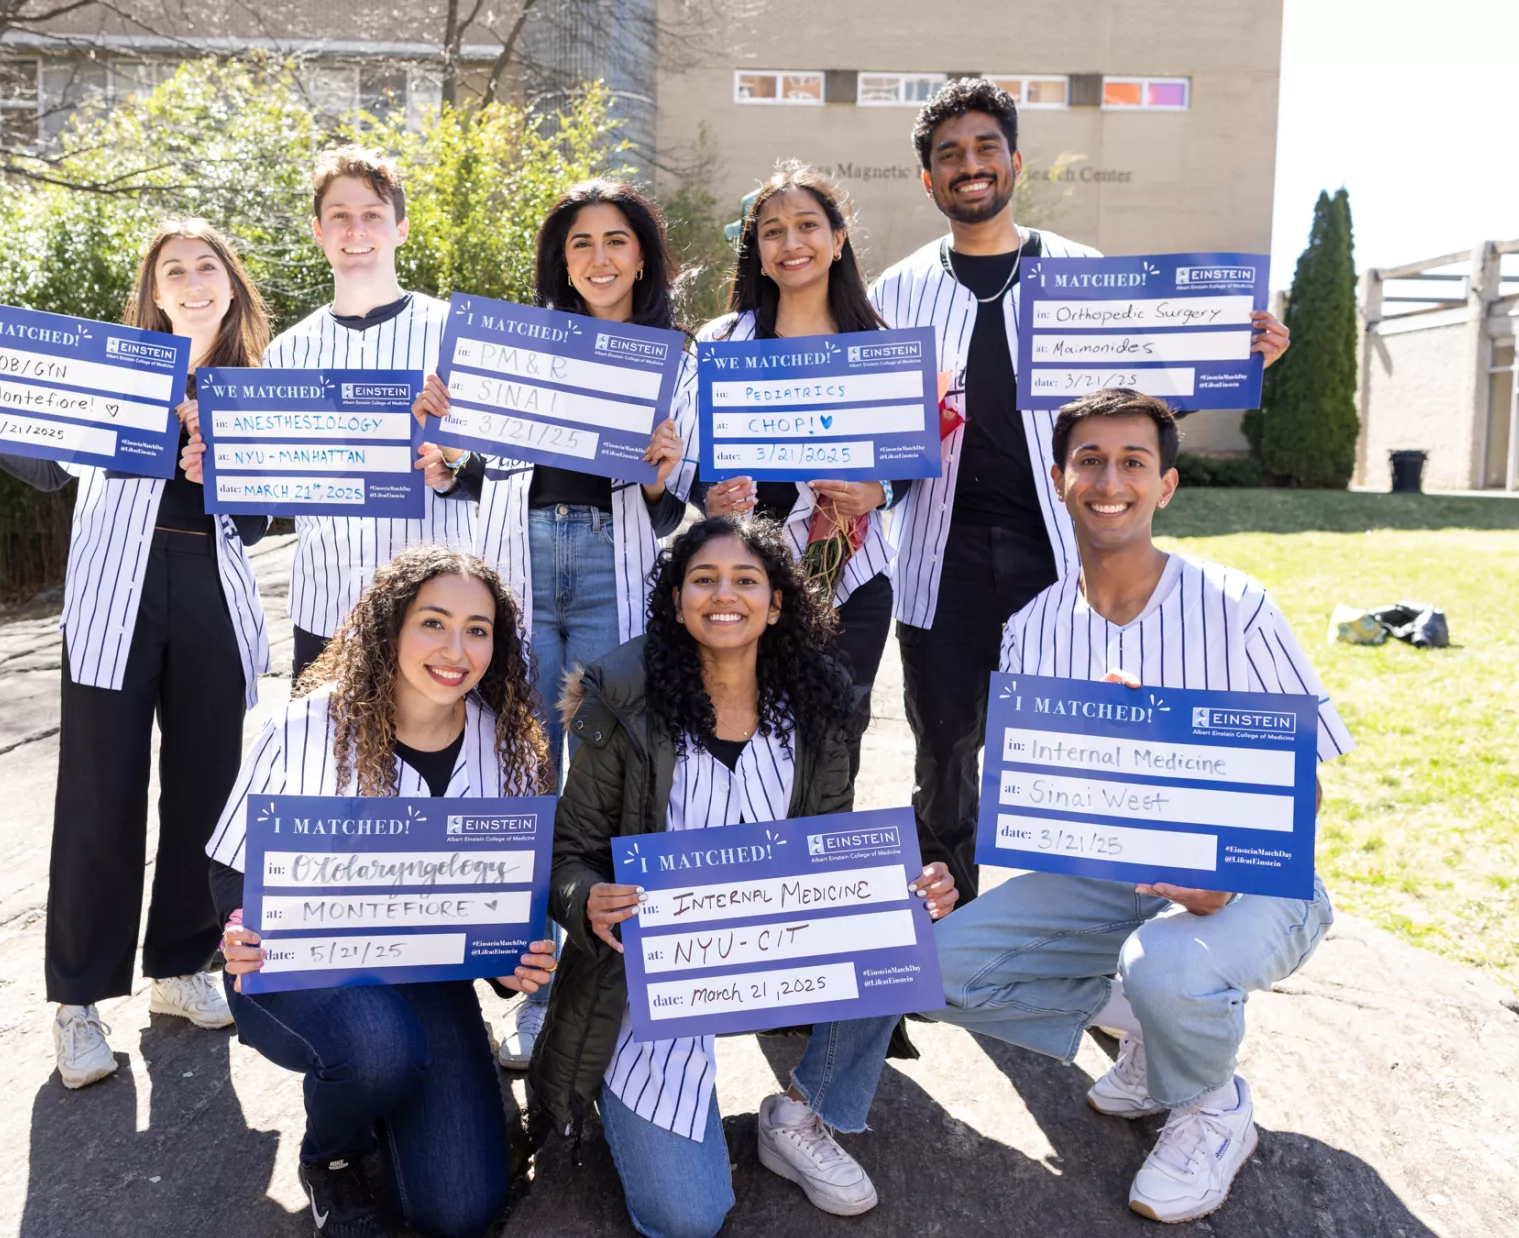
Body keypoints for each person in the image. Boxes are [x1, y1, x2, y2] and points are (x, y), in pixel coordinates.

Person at [928, 388, 1351, 1224]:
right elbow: (1050, 790)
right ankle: (1158, 1039)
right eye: (1089, 460)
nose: (1109, 479)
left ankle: (1210, 1104)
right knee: (934, 969)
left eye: (1133, 462)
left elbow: (1307, 782)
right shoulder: (1033, 628)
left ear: (1166, 485)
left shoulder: (1235, 605)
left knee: (1173, 967)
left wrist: (1213, 872)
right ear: (1059, 479)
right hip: (1110, 877)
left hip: (1259, 880)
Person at [868, 78, 1292, 905]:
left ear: (1015, 161)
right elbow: (877, 432)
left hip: (1064, 561)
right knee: (944, 756)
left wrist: (1237, 359)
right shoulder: (894, 295)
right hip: (937, 563)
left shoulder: (1083, 276)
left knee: (1089, 752)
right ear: (928, 180)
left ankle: (1093, 948)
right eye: (949, 155)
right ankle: (947, 938)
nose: (970, 166)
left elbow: (1140, 405)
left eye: (987, 148)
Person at [527, 516, 959, 1237]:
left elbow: (829, 855)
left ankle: (800, 1113)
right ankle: (622, 1094)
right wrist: (585, 902)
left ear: (777, 602)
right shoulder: (620, 693)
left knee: (902, 932)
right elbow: (568, 853)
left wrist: (906, 889)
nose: (723, 594)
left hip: (770, 958)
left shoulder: (820, 700)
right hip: (653, 976)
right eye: (703, 579)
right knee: (688, 1217)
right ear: (674, 601)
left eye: (745, 580)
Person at [0, 219, 271, 1089]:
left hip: (210, 595)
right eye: (172, 270)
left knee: (205, 796)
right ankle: (77, 1002)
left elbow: (264, 518)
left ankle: (183, 968)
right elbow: (46, 469)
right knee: (98, 798)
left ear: (230, 285)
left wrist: (213, 460)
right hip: (114, 590)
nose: (191, 281)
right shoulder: (111, 371)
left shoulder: (259, 388)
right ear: (152, 292)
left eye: (206, 267)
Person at [408, 179, 695, 1070]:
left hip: (614, 563)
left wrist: (660, 473)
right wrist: (445, 458)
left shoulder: (675, 358)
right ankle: (529, 988)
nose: (600, 257)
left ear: (642, 254)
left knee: (611, 781)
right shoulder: (519, 347)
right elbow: (478, 468)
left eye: (616, 240)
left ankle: (609, 979)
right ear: (560, 262)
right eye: (580, 244)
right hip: (523, 563)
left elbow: (677, 503)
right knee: (523, 775)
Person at [205, 547, 557, 1238]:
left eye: (479, 629)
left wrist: (518, 965)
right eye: (434, 622)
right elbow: (227, 866)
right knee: (376, 1047)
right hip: (296, 970)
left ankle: (434, 1069)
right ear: (391, 626)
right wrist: (238, 927)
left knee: (460, 1210)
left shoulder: (507, 746)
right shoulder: (304, 726)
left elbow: (504, 921)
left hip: (426, 974)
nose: (456, 649)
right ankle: (330, 1157)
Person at [694, 162, 897, 770]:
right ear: (755, 250)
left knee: (834, 748)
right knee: (740, 742)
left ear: (838, 241)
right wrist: (710, 498)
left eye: (807, 225)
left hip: (854, 581)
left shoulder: (880, 344)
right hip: (744, 579)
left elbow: (909, 459)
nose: (791, 243)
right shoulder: (725, 343)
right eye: (772, 231)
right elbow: (697, 464)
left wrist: (878, 490)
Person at [256, 145, 478, 681]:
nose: (356, 229)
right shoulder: (285, 352)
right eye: (340, 216)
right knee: (324, 764)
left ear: (400, 228)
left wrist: (453, 463)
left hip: (434, 609)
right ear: (318, 230)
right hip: (323, 606)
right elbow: (269, 485)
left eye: (372, 215)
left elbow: (501, 476)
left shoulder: (455, 334)